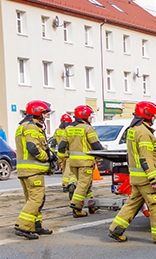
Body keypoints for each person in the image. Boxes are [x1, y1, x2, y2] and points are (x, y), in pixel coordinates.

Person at [108, 101, 156, 245]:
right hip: (146, 179)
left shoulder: (133, 129)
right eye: (154, 116)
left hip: (136, 177)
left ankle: (116, 229)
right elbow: (145, 157)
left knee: (132, 204)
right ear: (147, 115)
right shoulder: (144, 133)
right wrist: (154, 179)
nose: (154, 119)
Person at [14, 100, 55, 239]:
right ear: (37, 112)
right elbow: (33, 148)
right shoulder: (31, 127)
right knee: (37, 199)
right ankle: (23, 226)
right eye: (44, 113)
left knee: (32, 199)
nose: (45, 116)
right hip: (33, 171)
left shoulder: (23, 126)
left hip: (25, 170)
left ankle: (36, 225)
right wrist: (47, 158)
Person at [61, 105, 103, 217]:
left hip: (73, 162)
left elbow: (61, 147)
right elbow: (96, 145)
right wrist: (102, 155)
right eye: (90, 116)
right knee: (83, 184)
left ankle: (91, 205)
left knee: (84, 183)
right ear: (85, 116)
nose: (91, 118)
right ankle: (76, 206)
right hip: (85, 162)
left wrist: (61, 159)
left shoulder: (68, 129)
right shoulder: (88, 129)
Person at [50, 114, 74, 191]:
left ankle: (64, 184)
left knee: (64, 170)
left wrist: (51, 153)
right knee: (69, 171)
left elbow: (53, 143)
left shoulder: (57, 131)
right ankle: (67, 185)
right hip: (69, 153)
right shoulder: (70, 130)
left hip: (60, 154)